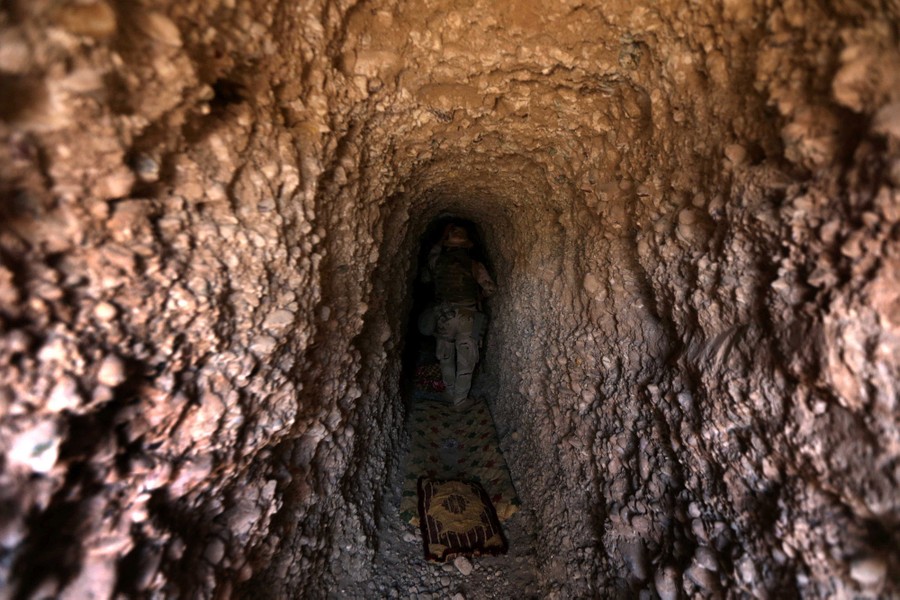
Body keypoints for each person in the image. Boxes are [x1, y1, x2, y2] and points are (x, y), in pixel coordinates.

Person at [426, 224, 496, 409]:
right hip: (468, 315)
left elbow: (432, 255)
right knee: (467, 357)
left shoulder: (437, 262)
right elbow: (490, 288)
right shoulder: (474, 265)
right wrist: (478, 297)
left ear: (447, 245)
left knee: (446, 354)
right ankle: (460, 400)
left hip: (445, 315)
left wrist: (441, 237)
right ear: (466, 246)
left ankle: (449, 392)